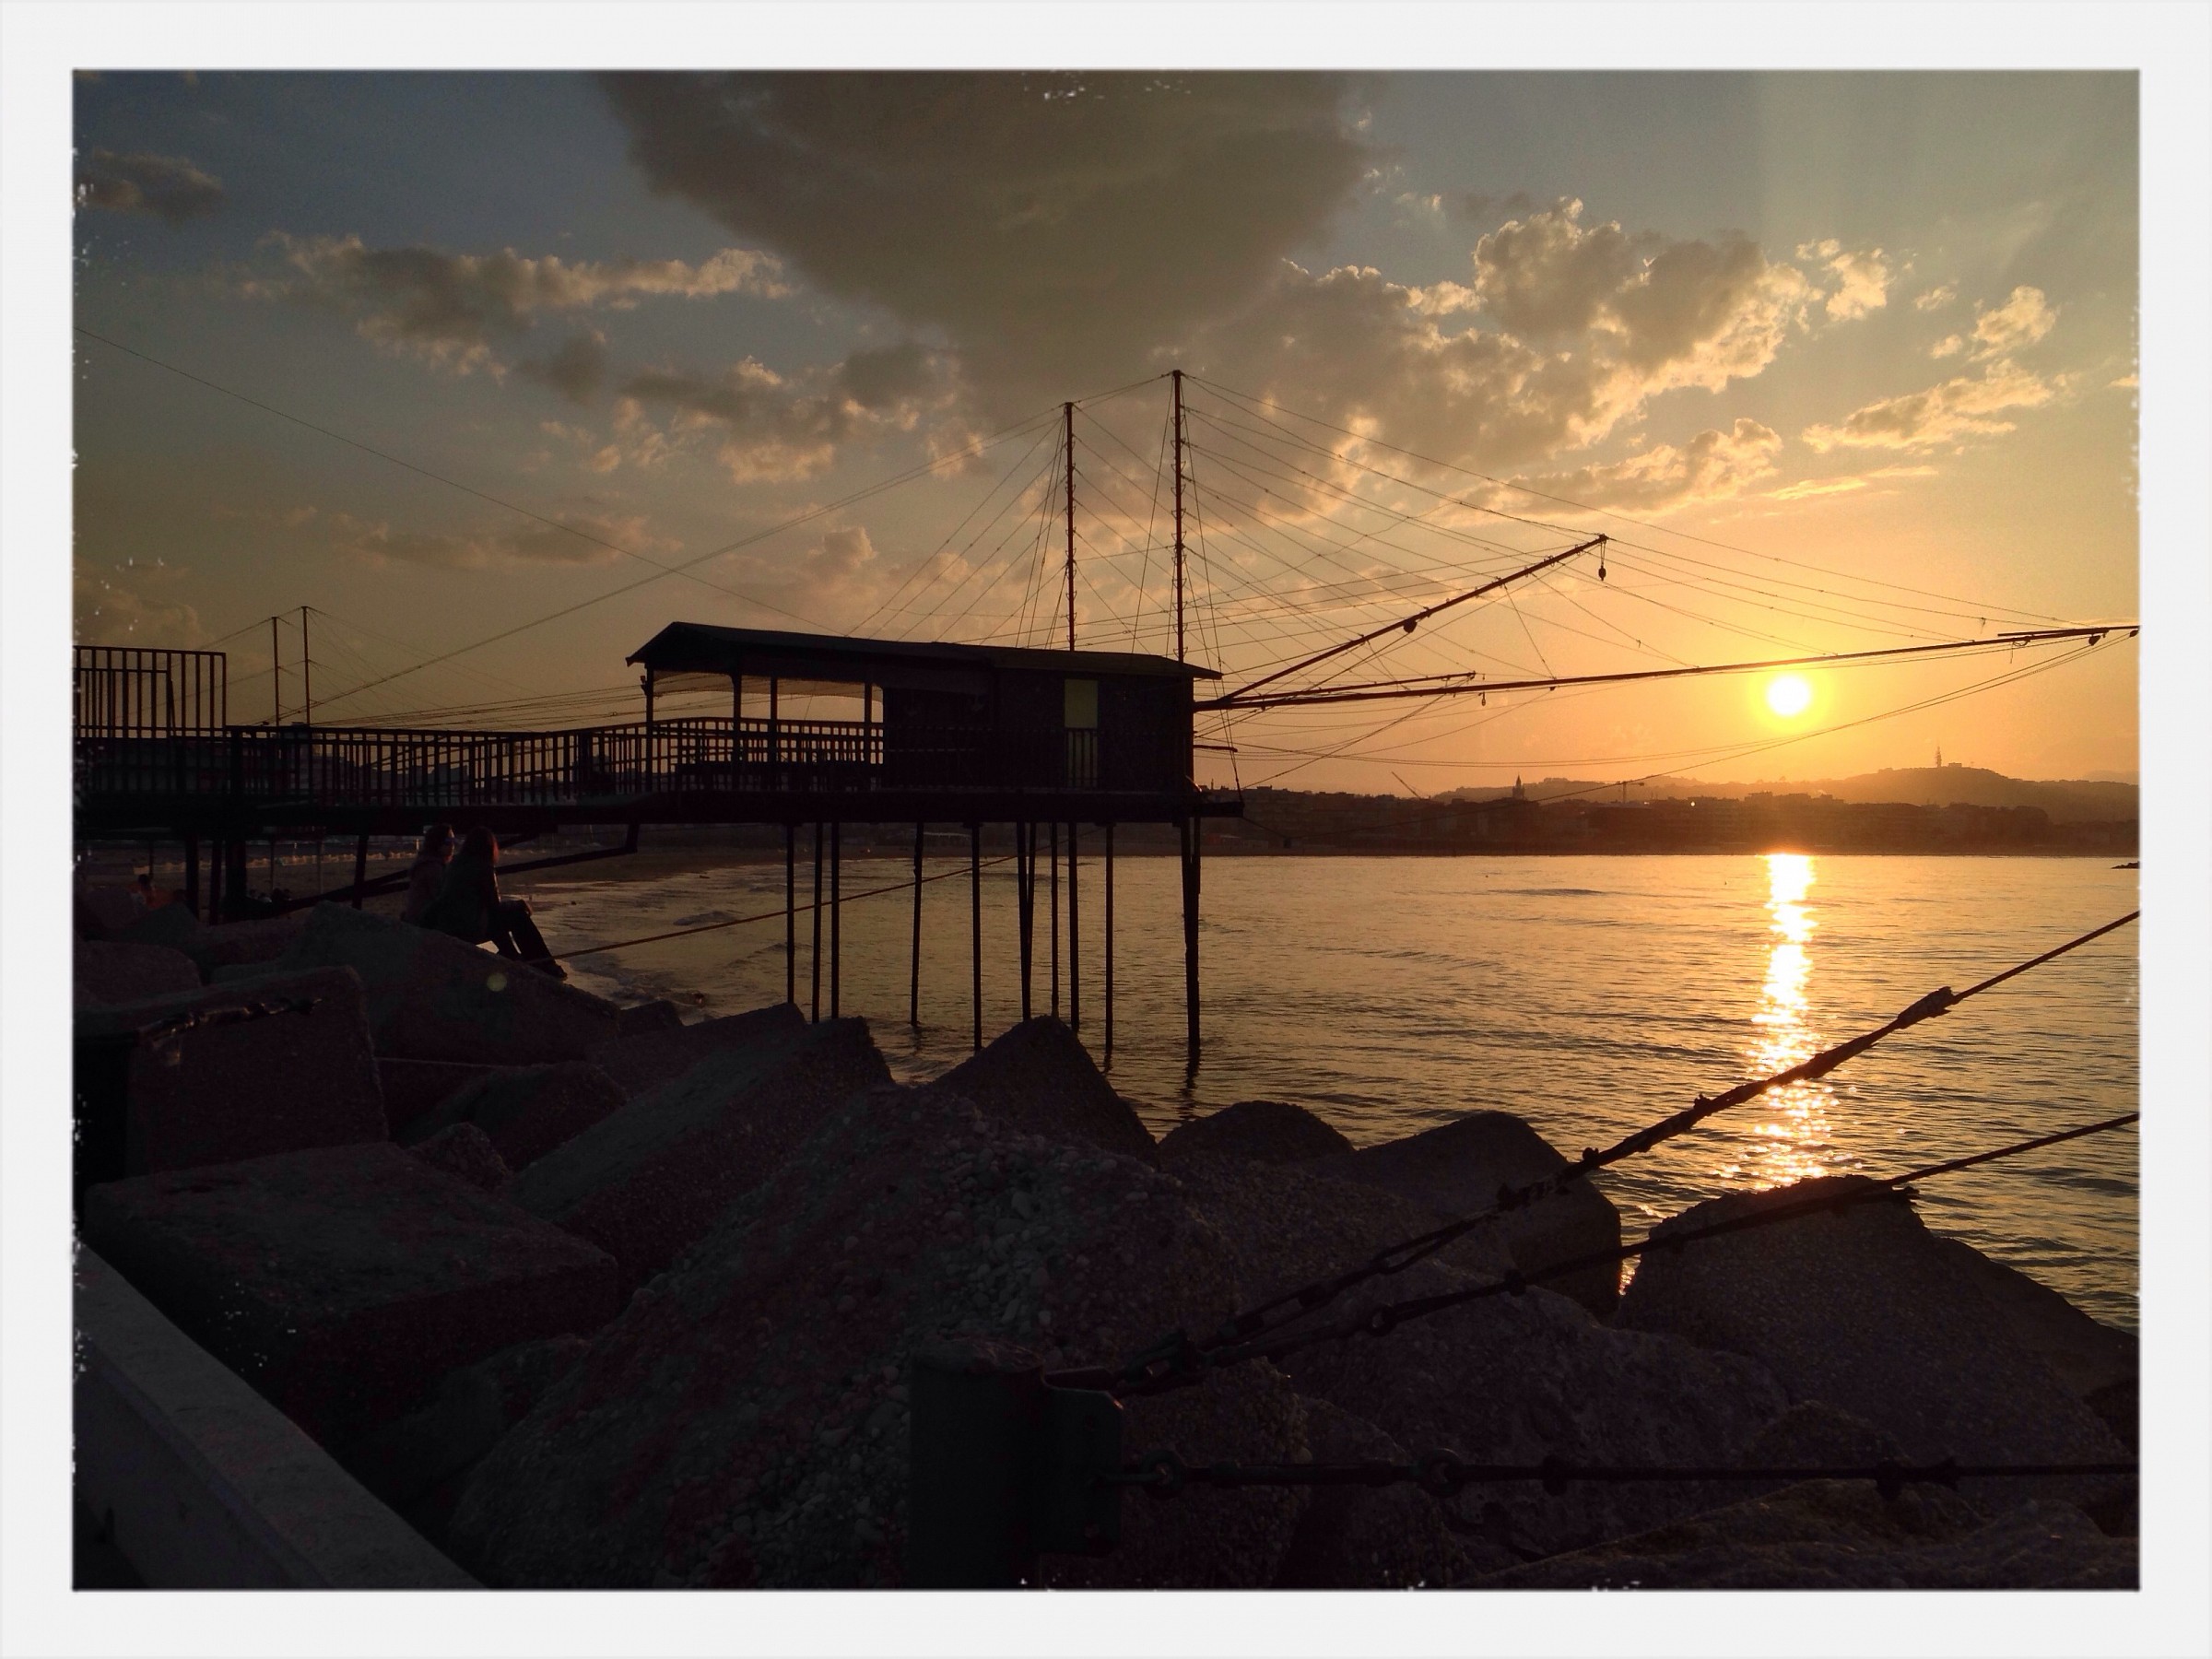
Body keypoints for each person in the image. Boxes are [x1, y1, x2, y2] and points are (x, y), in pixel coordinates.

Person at [418, 826, 566, 977]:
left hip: (451, 926)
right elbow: (495, 907)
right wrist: (520, 904)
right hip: (468, 929)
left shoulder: (454, 864)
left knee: (499, 916)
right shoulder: (483, 867)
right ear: (490, 847)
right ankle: (545, 963)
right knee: (517, 915)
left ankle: (512, 955)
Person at [401, 824, 455, 924]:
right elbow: (442, 898)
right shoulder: (432, 867)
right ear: (437, 842)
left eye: (453, 840)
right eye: (448, 841)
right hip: (422, 923)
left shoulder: (426, 863)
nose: (452, 845)